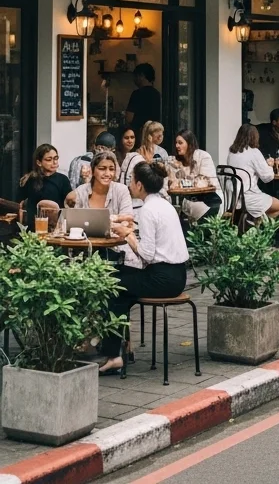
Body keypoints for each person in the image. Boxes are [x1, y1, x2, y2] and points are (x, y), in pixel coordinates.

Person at [97, 162, 189, 375]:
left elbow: (147, 254)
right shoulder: (164, 204)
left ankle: (114, 353)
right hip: (177, 274)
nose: (129, 184)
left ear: (139, 184)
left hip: (163, 279)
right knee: (119, 281)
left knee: (112, 284)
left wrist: (127, 235)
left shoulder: (148, 209)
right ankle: (118, 351)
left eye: (131, 180)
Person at [226, 124, 279, 220]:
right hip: (249, 197)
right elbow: (267, 177)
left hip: (232, 198)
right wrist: (269, 165)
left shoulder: (232, 152)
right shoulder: (254, 152)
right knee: (278, 206)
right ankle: (259, 231)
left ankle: (252, 224)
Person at [167, 130, 222, 223]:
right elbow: (172, 182)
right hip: (189, 200)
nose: (177, 146)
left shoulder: (203, 156)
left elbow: (205, 182)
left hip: (211, 200)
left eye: (180, 143)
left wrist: (184, 181)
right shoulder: (177, 161)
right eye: (176, 143)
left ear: (189, 143)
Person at [65, 150, 134, 220]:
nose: (107, 174)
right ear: (92, 171)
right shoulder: (81, 191)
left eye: (111, 169)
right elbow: (72, 220)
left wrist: (114, 220)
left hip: (115, 231)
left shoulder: (121, 190)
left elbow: (128, 218)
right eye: (102, 169)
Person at [17, 144, 72, 227]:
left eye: (56, 158)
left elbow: (68, 206)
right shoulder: (29, 180)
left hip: (56, 228)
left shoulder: (63, 180)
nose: (54, 162)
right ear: (39, 162)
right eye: (49, 159)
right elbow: (20, 205)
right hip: (33, 228)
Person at [125, 63, 161, 129]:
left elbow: (129, 118)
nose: (134, 79)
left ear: (141, 76)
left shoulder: (137, 94)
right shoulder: (158, 94)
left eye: (135, 76)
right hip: (154, 131)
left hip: (139, 132)